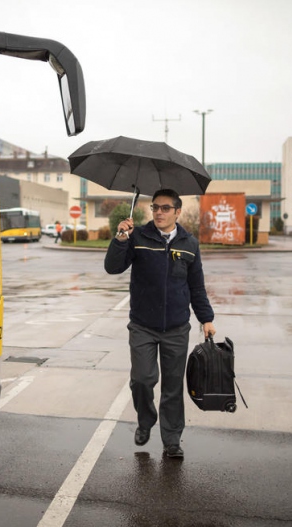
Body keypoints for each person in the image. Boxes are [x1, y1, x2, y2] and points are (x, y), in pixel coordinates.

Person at [104, 188, 215, 459]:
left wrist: (206, 318)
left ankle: (172, 440)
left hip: (176, 327)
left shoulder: (189, 244)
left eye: (165, 208)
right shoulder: (138, 236)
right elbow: (113, 267)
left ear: (178, 211)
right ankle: (145, 420)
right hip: (142, 324)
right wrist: (120, 238)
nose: (159, 212)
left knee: (173, 386)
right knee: (142, 380)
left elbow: (196, 287)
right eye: (155, 207)